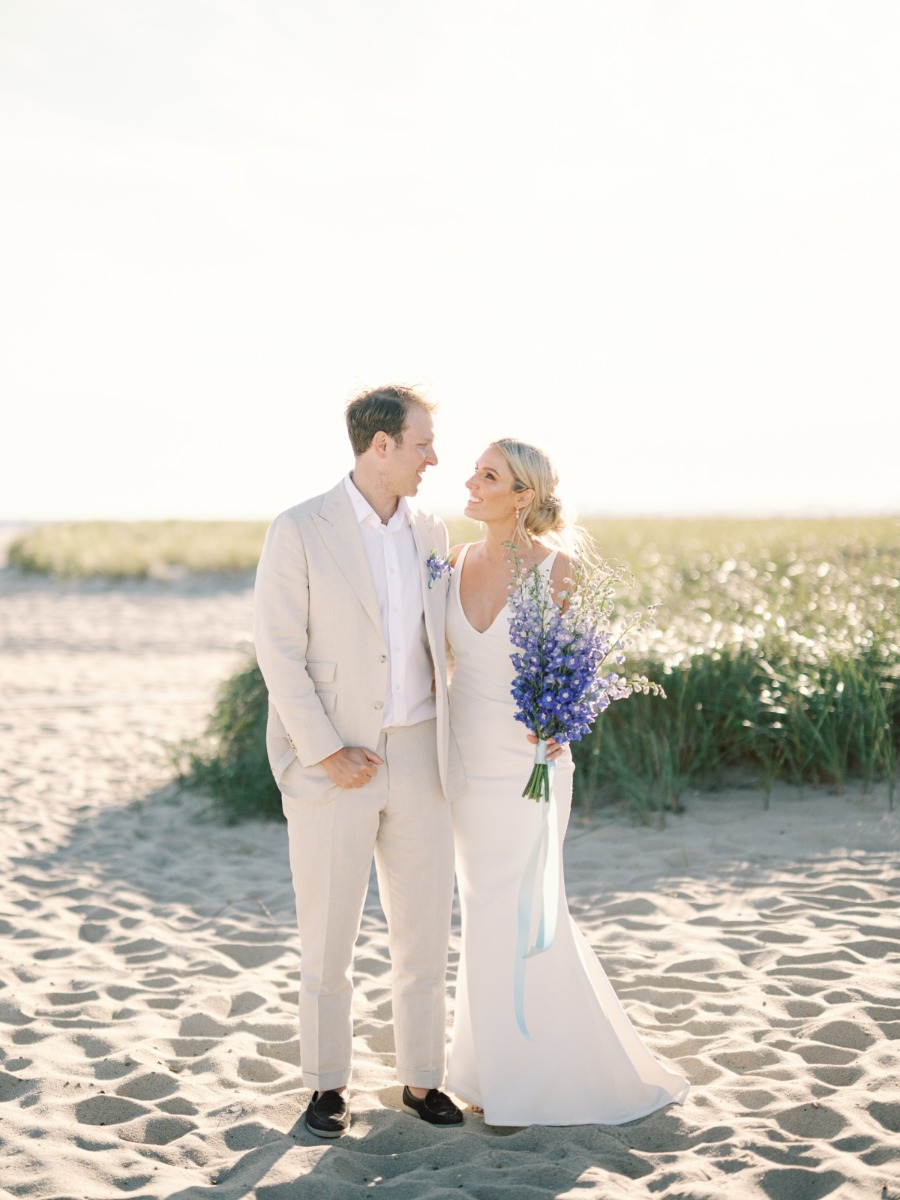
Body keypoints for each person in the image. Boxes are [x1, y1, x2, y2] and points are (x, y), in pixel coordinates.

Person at [445, 437, 689, 1126]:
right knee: (481, 910)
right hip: (464, 766)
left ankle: (533, 1080)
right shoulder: (452, 564)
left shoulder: (559, 571)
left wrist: (558, 727)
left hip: (530, 766)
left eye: (487, 475)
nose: (470, 482)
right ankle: (486, 1070)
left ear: (521, 495)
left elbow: (576, 672)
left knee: (523, 912)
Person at [253, 385, 466, 1138]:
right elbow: (277, 650)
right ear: (380, 447)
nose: (433, 458)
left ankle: (422, 1080)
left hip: (421, 755)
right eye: (421, 444)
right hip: (333, 759)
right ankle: (325, 1086)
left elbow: (447, 644)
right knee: (329, 933)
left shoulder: (433, 532)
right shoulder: (299, 529)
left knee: (424, 932)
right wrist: (324, 751)